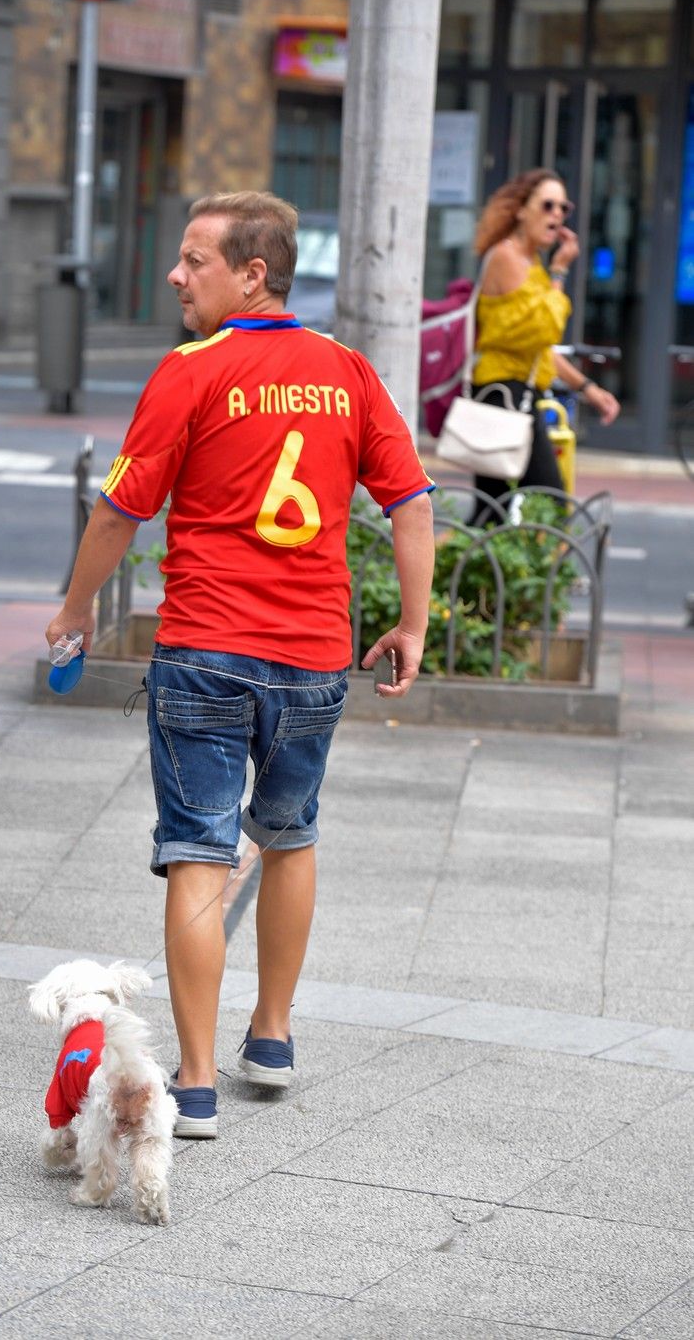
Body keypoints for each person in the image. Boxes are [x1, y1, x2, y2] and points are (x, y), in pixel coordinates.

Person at [45, 191, 435, 1138]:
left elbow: (118, 512)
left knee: (197, 850)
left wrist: (73, 610)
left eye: (195, 260)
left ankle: (198, 1080)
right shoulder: (346, 370)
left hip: (207, 654)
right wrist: (412, 626)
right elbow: (412, 501)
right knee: (291, 835)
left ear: (252, 272)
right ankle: (273, 1037)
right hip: (311, 660)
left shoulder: (192, 370)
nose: (177, 276)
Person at [471, 168, 620, 518]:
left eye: (563, 208)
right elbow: (547, 328)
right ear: (521, 210)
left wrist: (588, 388)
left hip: (519, 394)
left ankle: (477, 570)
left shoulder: (532, 264)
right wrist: (560, 272)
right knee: (548, 502)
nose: (556, 214)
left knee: (492, 511)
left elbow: (540, 350)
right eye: (547, 205)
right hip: (501, 394)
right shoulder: (507, 257)